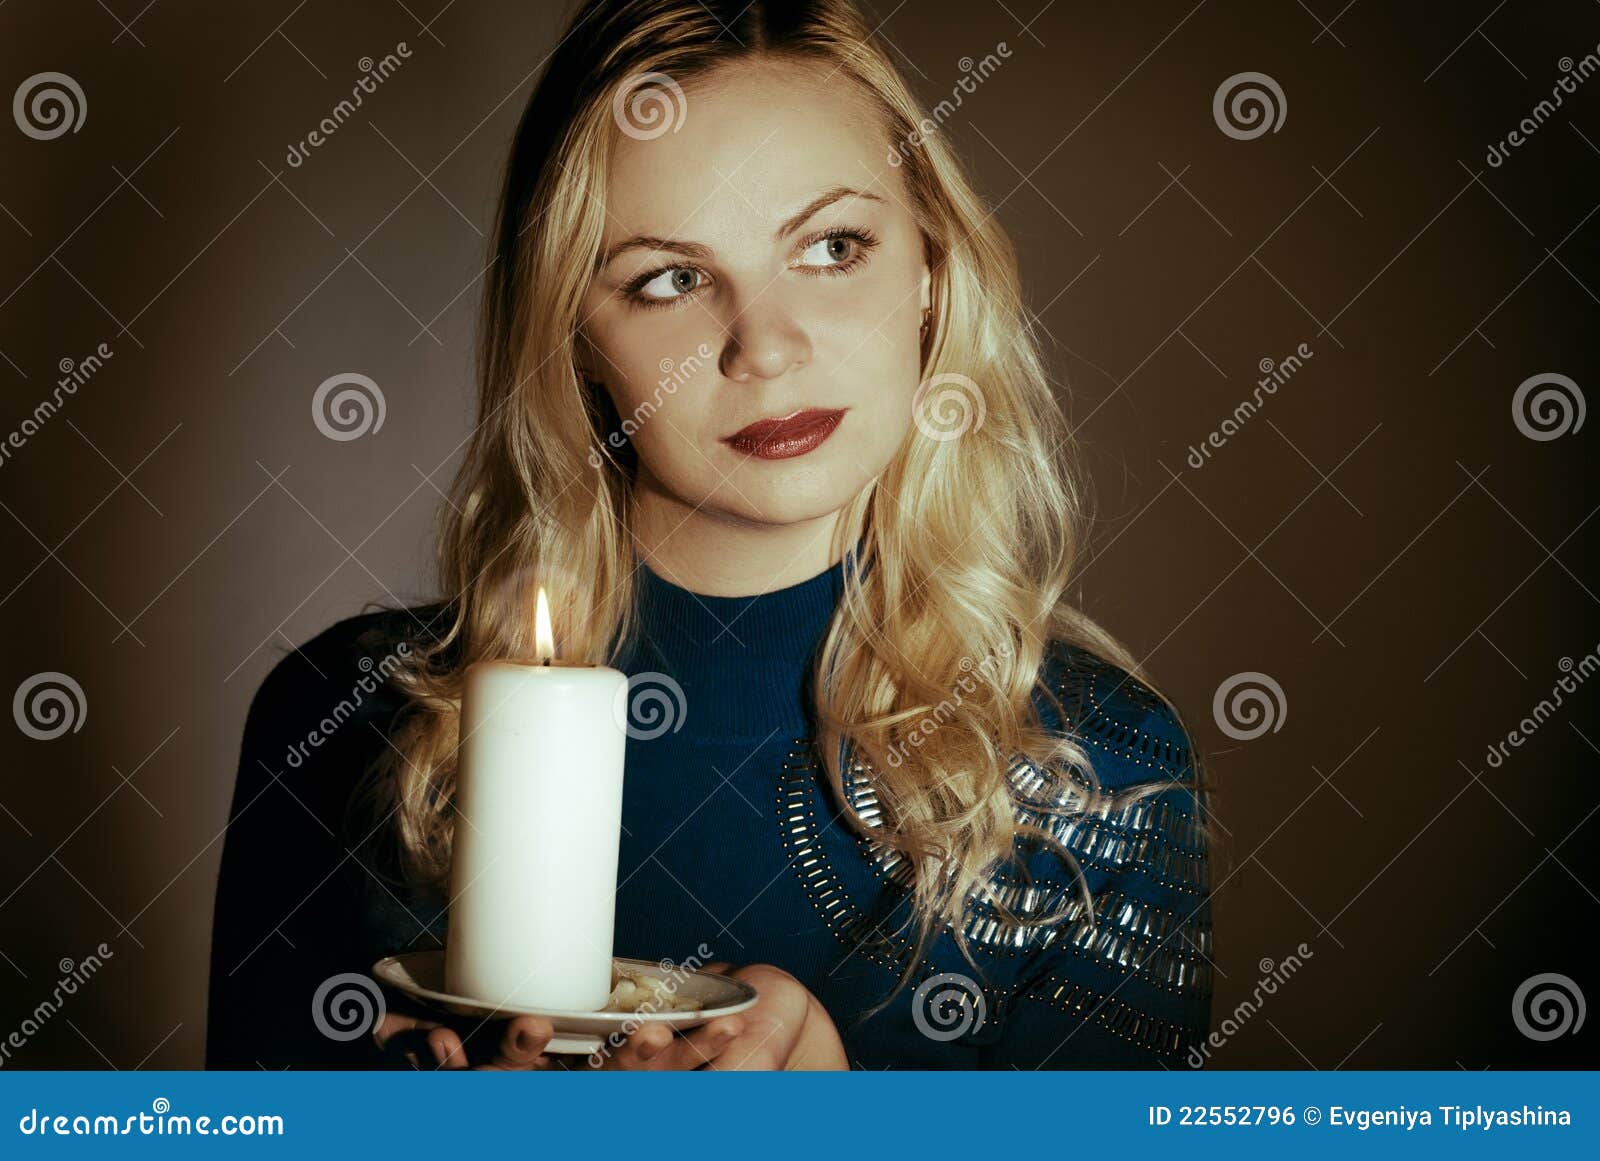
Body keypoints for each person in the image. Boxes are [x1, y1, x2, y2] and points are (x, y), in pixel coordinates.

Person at [206, 0, 1218, 1071]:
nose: (766, 348)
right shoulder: (345, 725)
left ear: (929, 268)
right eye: (670, 280)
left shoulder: (1098, 770)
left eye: (833, 247)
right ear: (575, 338)